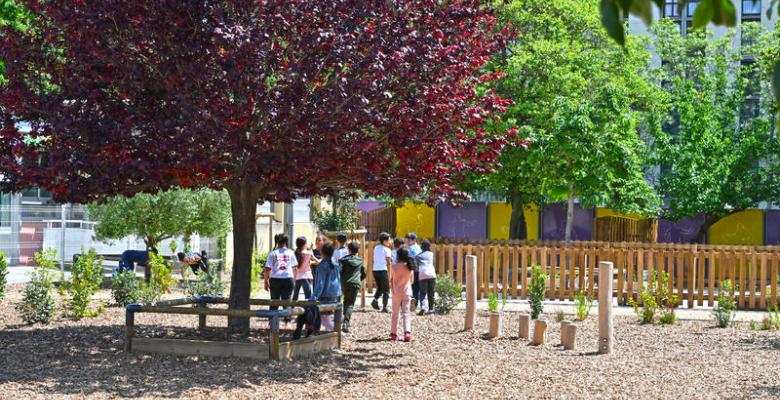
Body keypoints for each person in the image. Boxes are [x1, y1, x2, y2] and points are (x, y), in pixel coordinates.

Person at [310, 242, 341, 331]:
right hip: (337, 292)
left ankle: (336, 332)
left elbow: (320, 283)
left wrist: (314, 296)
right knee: (331, 315)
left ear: (322, 252)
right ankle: (332, 332)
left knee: (324, 318)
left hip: (326, 294)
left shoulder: (322, 265)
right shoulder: (336, 264)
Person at [263, 234, 298, 312]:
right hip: (288, 279)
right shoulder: (291, 253)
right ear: (286, 241)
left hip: (275, 280)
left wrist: (266, 281)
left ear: (277, 242)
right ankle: (287, 318)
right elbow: (295, 268)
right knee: (287, 303)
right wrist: (294, 280)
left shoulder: (273, 253)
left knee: (274, 303)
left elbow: (267, 269)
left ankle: (272, 319)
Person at [390, 248, 417, 342]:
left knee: (395, 313)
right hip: (407, 292)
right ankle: (407, 333)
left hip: (396, 292)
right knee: (406, 313)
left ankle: (394, 334)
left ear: (398, 256)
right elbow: (412, 281)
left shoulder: (394, 266)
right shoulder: (410, 267)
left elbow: (390, 278)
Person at [339, 241, 366, 333]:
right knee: (350, 303)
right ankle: (346, 323)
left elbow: (339, 272)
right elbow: (364, 273)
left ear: (349, 249)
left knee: (346, 301)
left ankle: (344, 321)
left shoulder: (343, 260)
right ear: (358, 250)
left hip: (345, 283)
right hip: (355, 284)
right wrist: (358, 280)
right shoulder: (360, 261)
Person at [371, 232, 393, 312]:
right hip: (383, 270)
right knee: (386, 289)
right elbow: (389, 263)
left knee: (380, 287)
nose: (390, 241)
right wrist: (389, 274)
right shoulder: (387, 250)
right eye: (389, 240)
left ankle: (375, 300)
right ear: (384, 241)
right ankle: (385, 306)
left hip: (375, 270)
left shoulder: (376, 248)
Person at [416, 239, 436, 315]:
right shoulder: (431, 254)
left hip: (423, 274)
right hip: (431, 273)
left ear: (421, 246)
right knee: (431, 293)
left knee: (422, 292)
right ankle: (431, 309)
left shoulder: (418, 256)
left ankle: (423, 307)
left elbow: (416, 265)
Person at [406, 232, 422, 312]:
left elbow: (412, 259)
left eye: (409, 240)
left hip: (413, 270)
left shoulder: (411, 248)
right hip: (419, 270)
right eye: (407, 240)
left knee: (411, 286)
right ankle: (415, 304)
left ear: (414, 240)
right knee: (417, 288)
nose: (407, 241)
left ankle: (412, 300)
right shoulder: (419, 248)